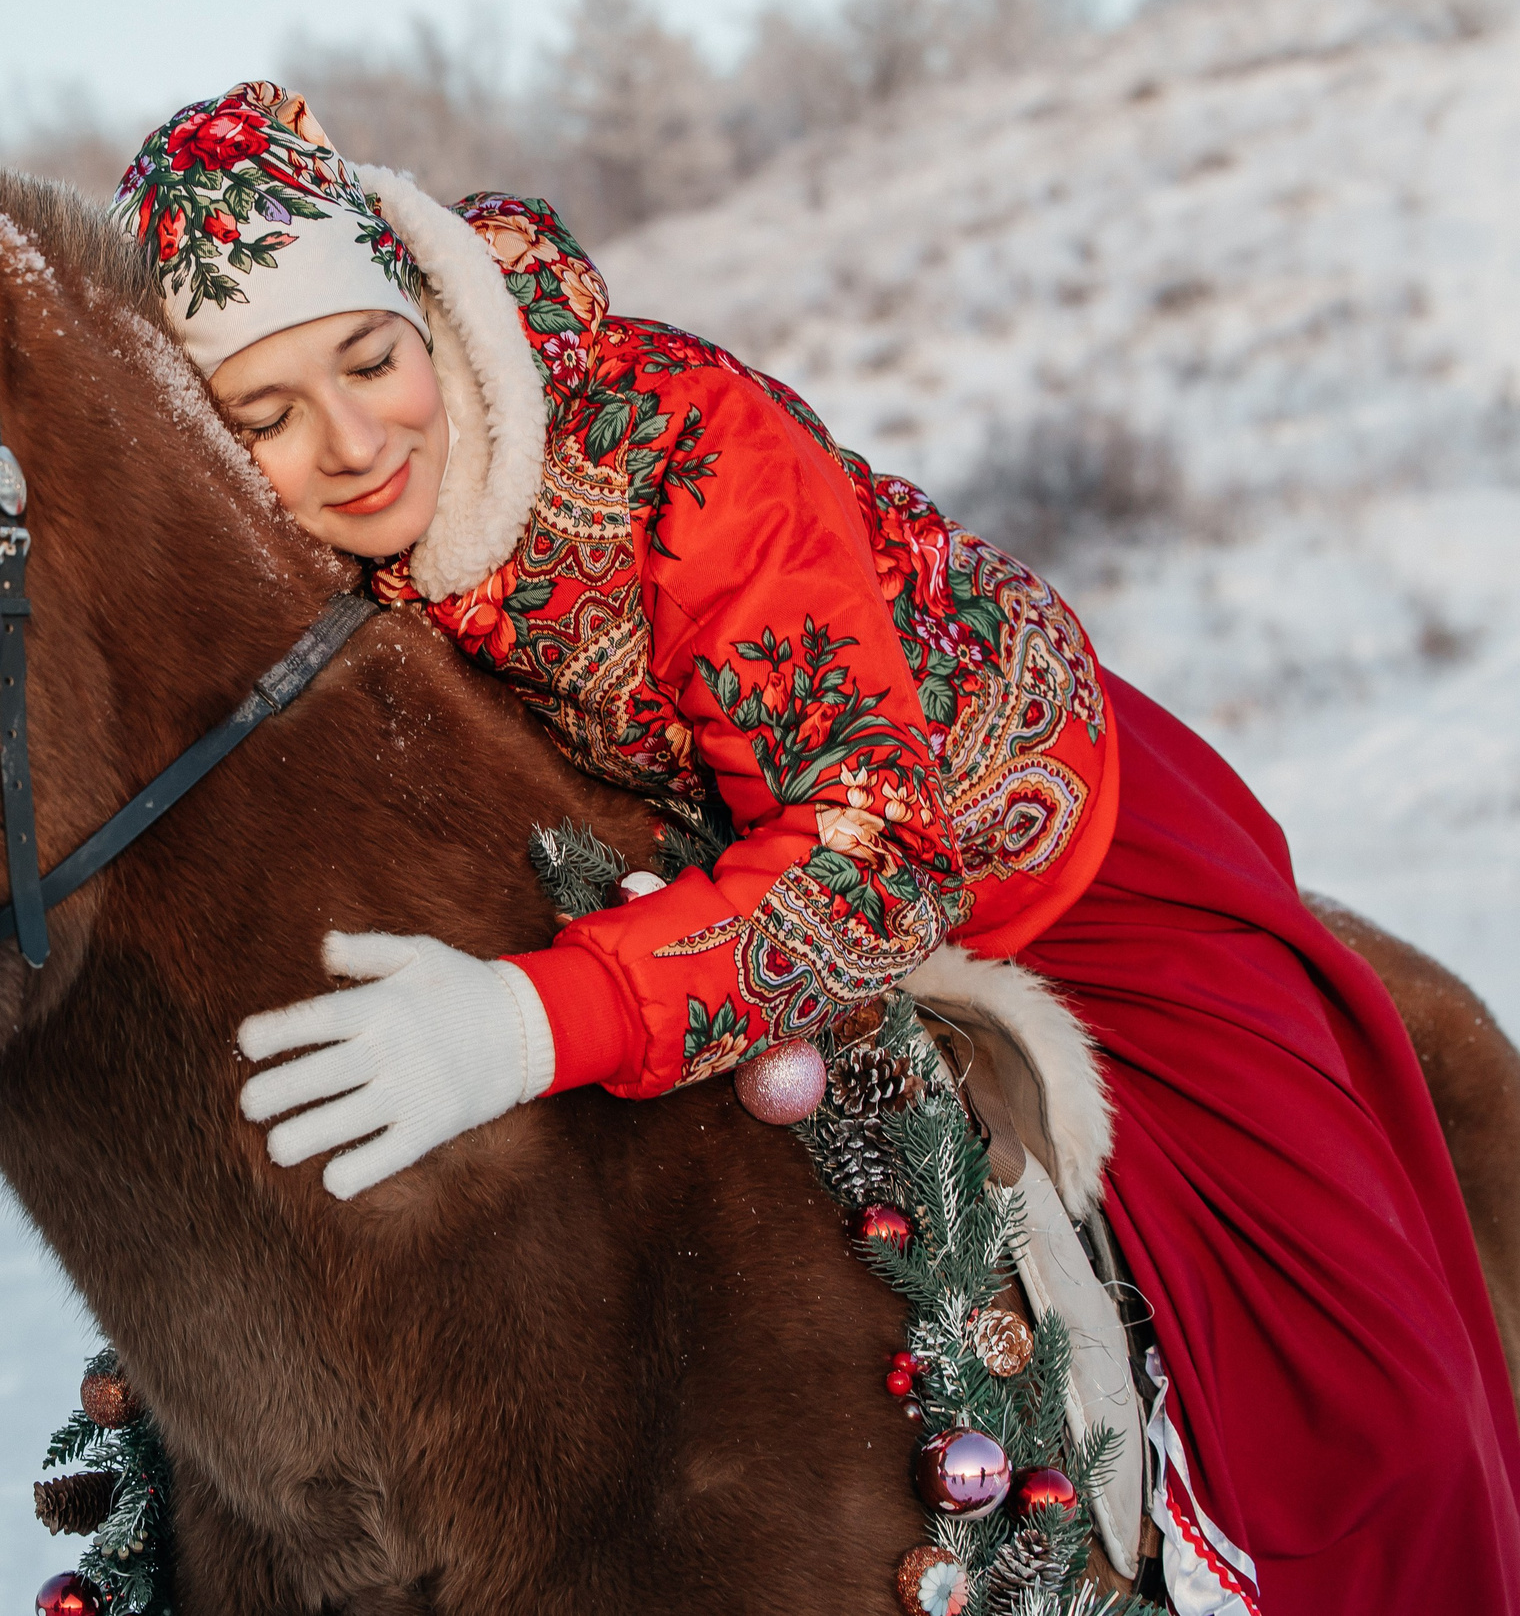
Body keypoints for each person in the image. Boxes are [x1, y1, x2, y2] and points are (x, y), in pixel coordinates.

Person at [111, 80, 1520, 1615]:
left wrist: (530, 1019)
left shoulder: (684, 441)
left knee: (1388, 1423)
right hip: (714, 929)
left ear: (422, 308)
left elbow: (879, 864)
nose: (351, 440)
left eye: (369, 358)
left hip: (1049, 868)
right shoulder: (317, 575)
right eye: (266, 415)